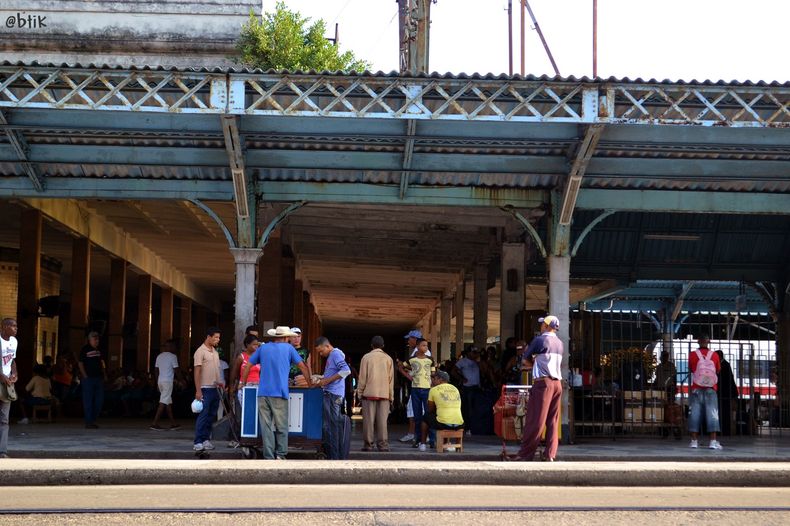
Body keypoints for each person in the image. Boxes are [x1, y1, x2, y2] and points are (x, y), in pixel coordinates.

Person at [242, 326, 311, 460]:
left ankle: (268, 456)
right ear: (286, 337)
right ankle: (280, 454)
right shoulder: (289, 348)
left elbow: (248, 365)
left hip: (263, 393)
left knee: (266, 426)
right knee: (281, 426)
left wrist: (242, 383)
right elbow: (302, 366)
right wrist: (309, 383)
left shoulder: (263, 348)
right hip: (279, 393)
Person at [511, 315, 564, 462]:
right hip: (557, 384)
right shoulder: (559, 343)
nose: (540, 327)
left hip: (543, 384)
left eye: (542, 324)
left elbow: (525, 360)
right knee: (552, 421)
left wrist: (533, 364)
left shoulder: (540, 340)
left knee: (535, 420)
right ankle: (550, 455)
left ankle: (525, 454)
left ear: (547, 326)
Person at [314, 336, 351, 460]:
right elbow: (333, 372)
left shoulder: (335, 354)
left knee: (332, 426)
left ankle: (335, 456)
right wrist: (321, 377)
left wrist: (327, 381)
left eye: (321, 351)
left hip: (333, 395)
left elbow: (346, 370)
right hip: (332, 393)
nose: (320, 354)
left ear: (327, 346)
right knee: (331, 425)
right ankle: (333, 454)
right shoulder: (332, 356)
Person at [357, 335, 394, 452]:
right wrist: (391, 396)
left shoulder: (366, 358)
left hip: (368, 394)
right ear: (383, 346)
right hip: (384, 395)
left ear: (371, 345)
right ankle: (383, 445)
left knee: (368, 421)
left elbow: (362, 378)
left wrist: (359, 393)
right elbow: (390, 380)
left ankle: (368, 445)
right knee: (383, 421)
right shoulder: (388, 359)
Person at [192, 327, 224, 453]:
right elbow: (197, 372)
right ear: (208, 337)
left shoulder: (215, 352)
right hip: (204, 388)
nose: (218, 340)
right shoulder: (200, 352)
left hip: (215, 388)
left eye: (219, 337)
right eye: (216, 337)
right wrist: (198, 390)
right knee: (203, 415)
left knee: (211, 416)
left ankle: (205, 439)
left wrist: (220, 383)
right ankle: (198, 441)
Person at [688, 335, 723, 450]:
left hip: (696, 389)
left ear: (698, 341)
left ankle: (694, 441)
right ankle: (713, 442)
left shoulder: (692, 355)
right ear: (709, 342)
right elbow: (718, 370)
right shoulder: (715, 355)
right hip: (711, 389)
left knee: (694, 414)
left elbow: (692, 369)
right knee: (712, 414)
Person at [399, 338, 434, 448]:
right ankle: (418, 439)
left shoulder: (430, 360)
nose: (426, 348)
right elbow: (401, 367)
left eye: (427, 346)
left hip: (427, 390)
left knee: (428, 415)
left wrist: (433, 385)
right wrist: (409, 376)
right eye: (424, 345)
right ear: (418, 347)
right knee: (417, 416)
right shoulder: (412, 359)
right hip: (415, 390)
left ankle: (432, 440)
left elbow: (433, 375)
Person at [419, 370, 464, 451]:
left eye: (434, 378)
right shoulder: (455, 389)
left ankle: (423, 444)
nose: (433, 380)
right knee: (444, 416)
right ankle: (446, 443)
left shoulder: (434, 390)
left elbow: (430, 409)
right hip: (459, 423)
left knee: (425, 417)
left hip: (444, 424)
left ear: (440, 379)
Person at [150, 339, 182, 431]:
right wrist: (182, 380)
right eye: (174, 346)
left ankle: (173, 423)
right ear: (171, 346)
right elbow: (177, 370)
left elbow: (156, 370)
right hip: (167, 382)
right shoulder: (173, 356)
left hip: (160, 381)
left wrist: (157, 381)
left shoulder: (159, 356)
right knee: (163, 402)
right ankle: (154, 423)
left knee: (167, 402)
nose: (175, 348)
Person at [397, 329, 422, 443]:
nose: (408, 341)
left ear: (415, 339)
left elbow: (417, 368)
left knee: (413, 410)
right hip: (418, 384)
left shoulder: (418, 351)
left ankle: (413, 434)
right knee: (415, 409)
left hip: (418, 385)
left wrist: (402, 367)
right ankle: (416, 434)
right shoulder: (416, 351)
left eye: (409, 339)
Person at [78, 331, 106, 429]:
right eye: (95, 339)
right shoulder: (84, 349)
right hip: (88, 379)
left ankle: (92, 419)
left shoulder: (99, 350)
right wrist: (85, 375)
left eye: (97, 339)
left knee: (99, 400)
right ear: (90, 340)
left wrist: (104, 374)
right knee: (88, 400)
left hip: (98, 378)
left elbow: (102, 363)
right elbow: (80, 363)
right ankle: (89, 422)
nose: (97, 341)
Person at [0, 318, 18, 458]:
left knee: (4, 419)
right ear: (5, 327)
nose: (16, 328)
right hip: (1, 379)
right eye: (13, 326)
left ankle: (2, 451)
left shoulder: (14, 341)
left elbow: (12, 360)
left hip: (7, 383)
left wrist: (14, 373)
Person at [453, 346, 481, 435]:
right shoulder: (463, 361)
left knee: (476, 407)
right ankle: (467, 427)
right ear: (468, 353)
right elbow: (453, 371)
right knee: (468, 408)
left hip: (476, 387)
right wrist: (462, 379)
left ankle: (475, 426)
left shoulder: (477, 361)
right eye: (473, 353)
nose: (475, 354)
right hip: (467, 387)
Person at [716, 350, 739, 437]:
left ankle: (724, 430)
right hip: (723, 393)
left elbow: (726, 380)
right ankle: (722, 430)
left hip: (724, 393)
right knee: (722, 412)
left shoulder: (724, 365)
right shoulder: (724, 364)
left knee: (724, 412)